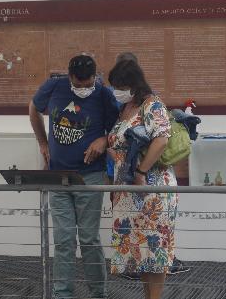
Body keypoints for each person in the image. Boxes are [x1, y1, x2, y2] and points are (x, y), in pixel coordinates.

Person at [29, 54, 119, 299]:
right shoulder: (55, 86)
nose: (82, 89)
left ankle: (99, 293)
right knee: (64, 240)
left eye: (87, 84)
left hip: (90, 176)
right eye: (77, 85)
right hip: (59, 175)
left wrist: (103, 139)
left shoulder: (103, 94)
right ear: (69, 77)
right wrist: (42, 142)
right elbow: (33, 108)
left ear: (95, 77)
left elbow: (117, 129)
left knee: (89, 239)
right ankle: (62, 294)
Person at [108, 53, 189, 280]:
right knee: (140, 257)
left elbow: (161, 139)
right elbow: (117, 140)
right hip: (128, 190)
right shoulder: (125, 108)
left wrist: (141, 172)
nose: (116, 91)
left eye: (120, 86)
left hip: (150, 189)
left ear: (134, 85)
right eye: (114, 86)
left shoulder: (152, 105)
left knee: (154, 254)